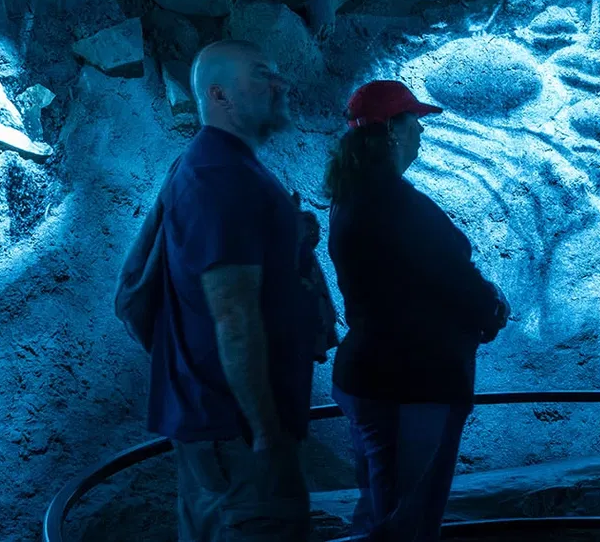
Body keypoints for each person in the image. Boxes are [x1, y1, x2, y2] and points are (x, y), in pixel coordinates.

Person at [146, 40, 325, 542]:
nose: (281, 84)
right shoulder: (221, 177)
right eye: (263, 74)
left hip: (220, 427)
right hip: (239, 436)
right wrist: (268, 435)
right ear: (220, 95)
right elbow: (234, 317)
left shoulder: (218, 167)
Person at [325, 80, 509, 542]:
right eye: (414, 123)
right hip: (415, 385)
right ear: (391, 131)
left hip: (369, 376)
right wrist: (491, 309)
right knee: (408, 523)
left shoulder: (350, 199)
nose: (421, 133)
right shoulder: (398, 205)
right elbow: (454, 278)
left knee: (379, 510)